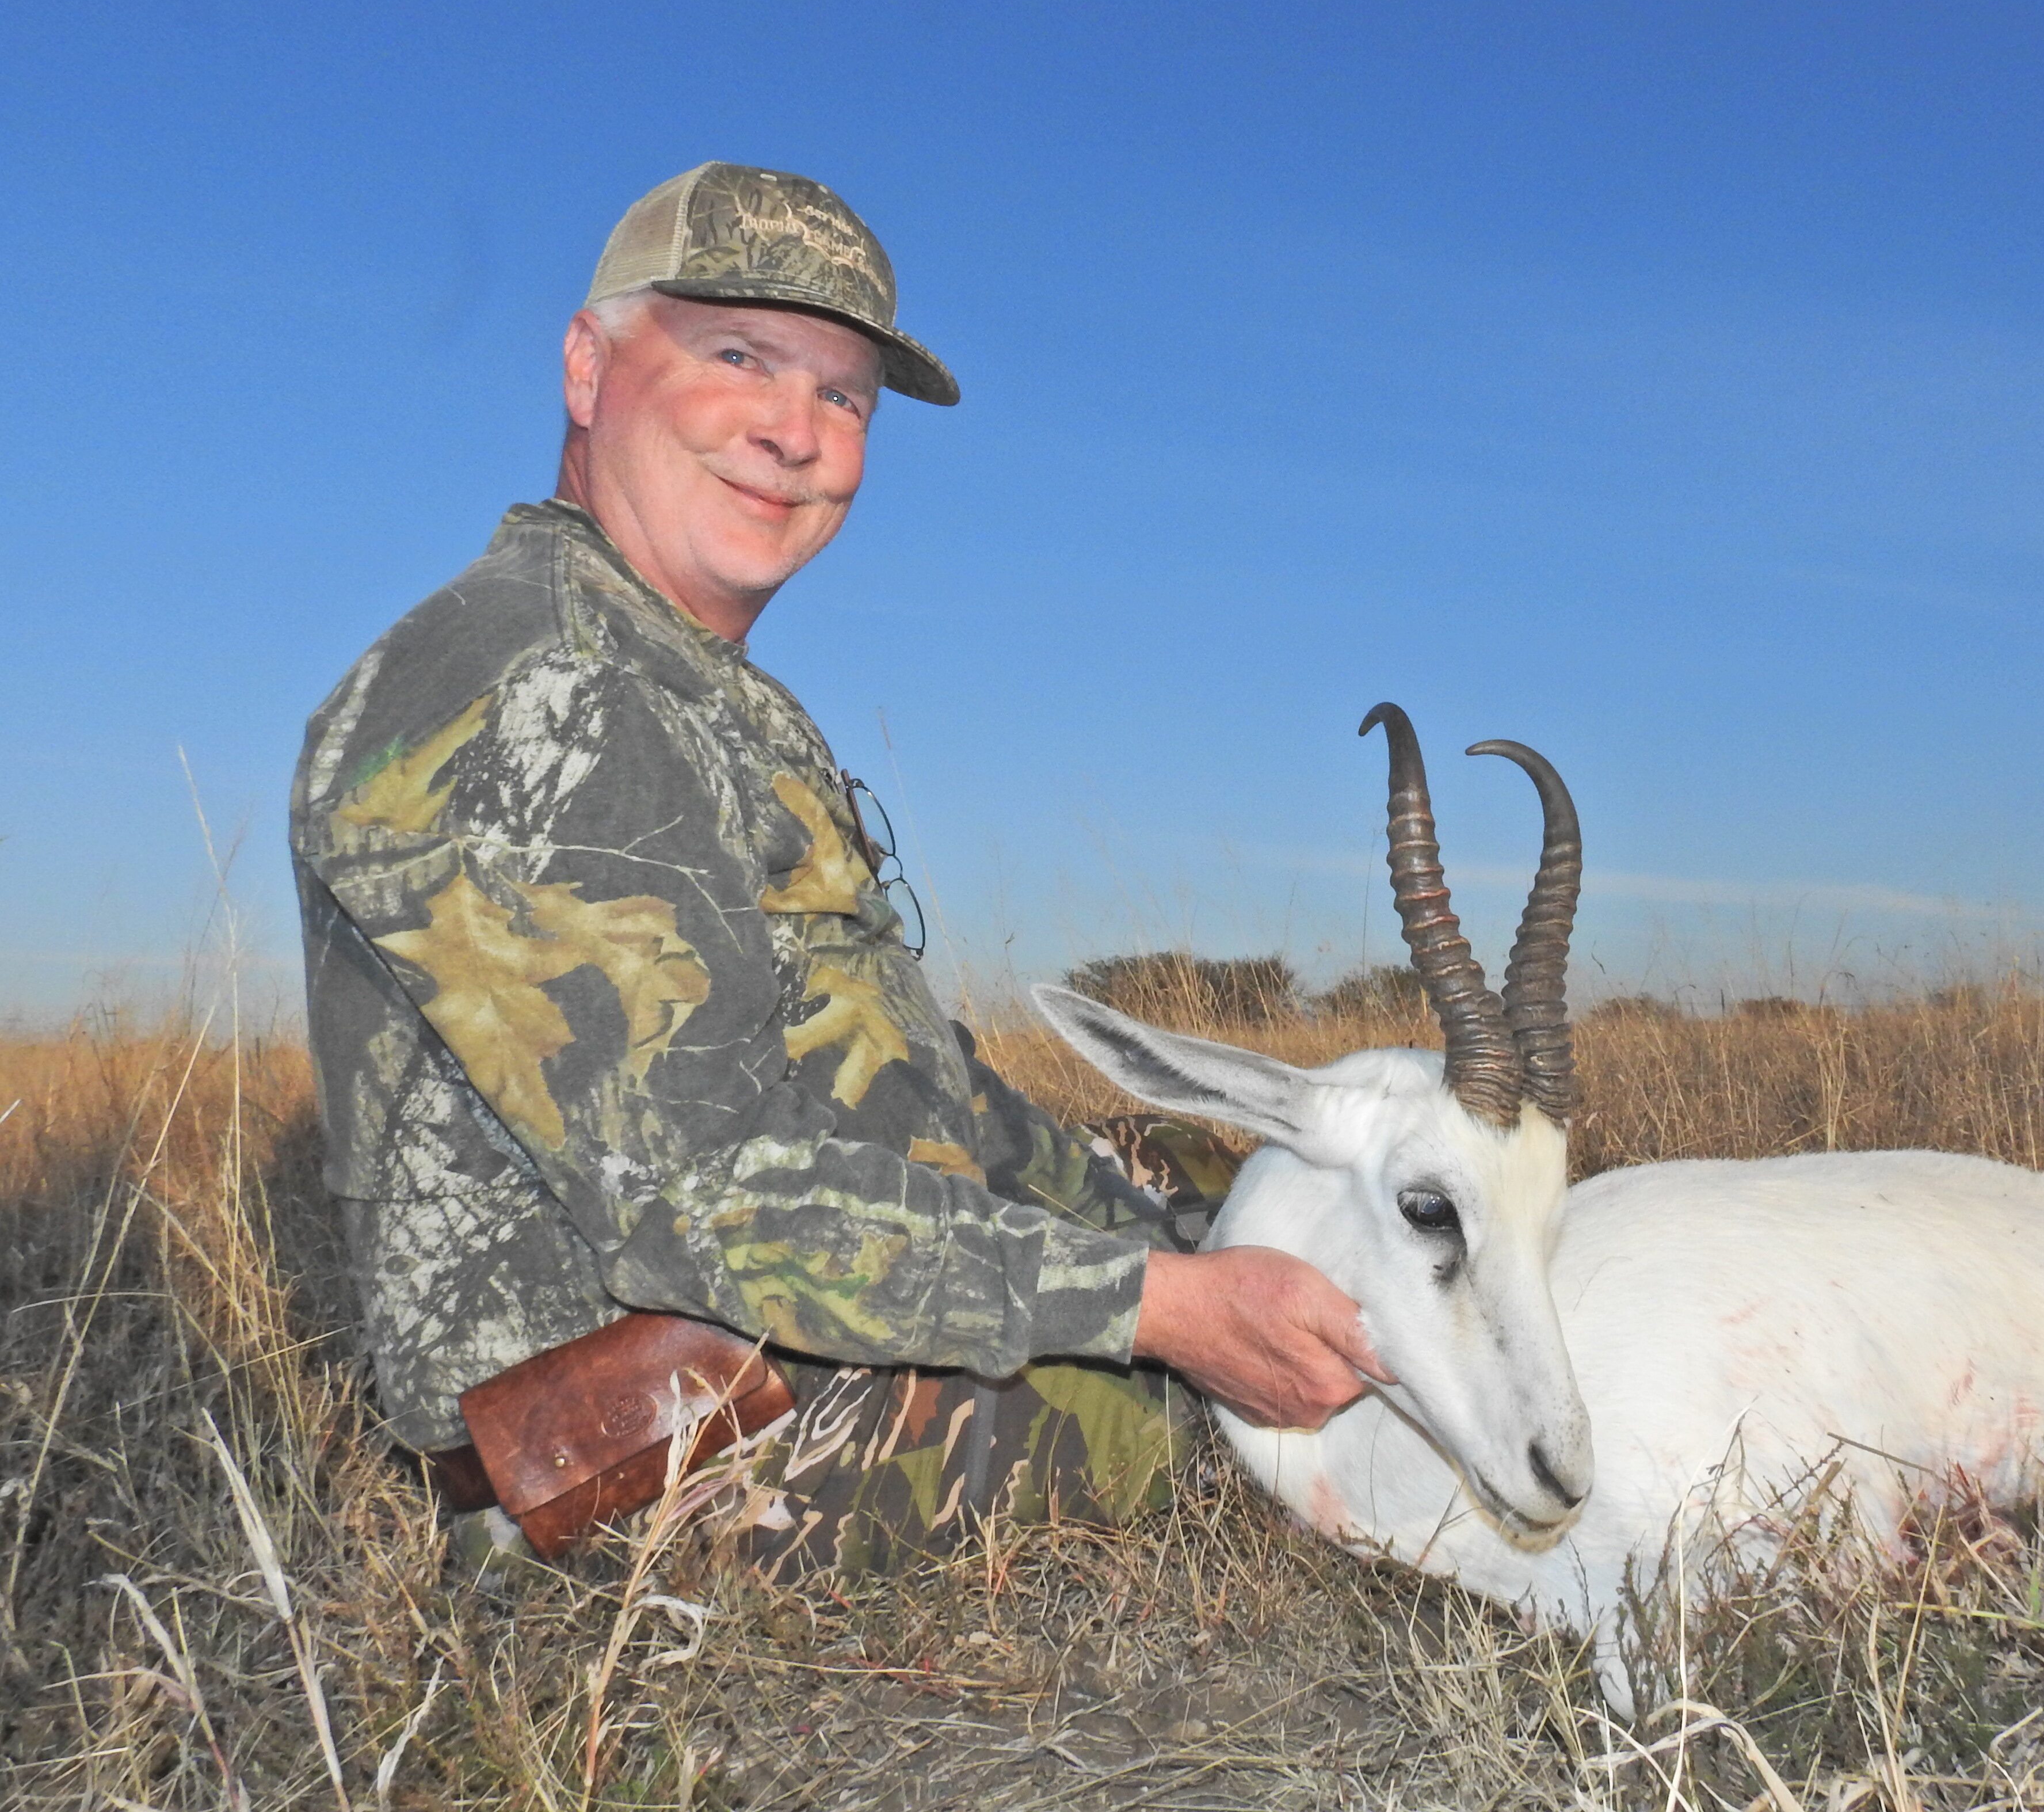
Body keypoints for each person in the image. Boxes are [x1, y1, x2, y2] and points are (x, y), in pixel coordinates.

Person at [291, 163, 1385, 1571]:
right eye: (739, 356)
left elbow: (908, 1075)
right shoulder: (535, 689)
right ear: (588, 365)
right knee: (1289, 1410)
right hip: (679, 1446)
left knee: (1207, 1186)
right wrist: (1162, 1307)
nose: (793, 434)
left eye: (843, 396)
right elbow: (707, 1203)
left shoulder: (687, 681)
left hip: (822, 1319)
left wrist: (1164, 1224)